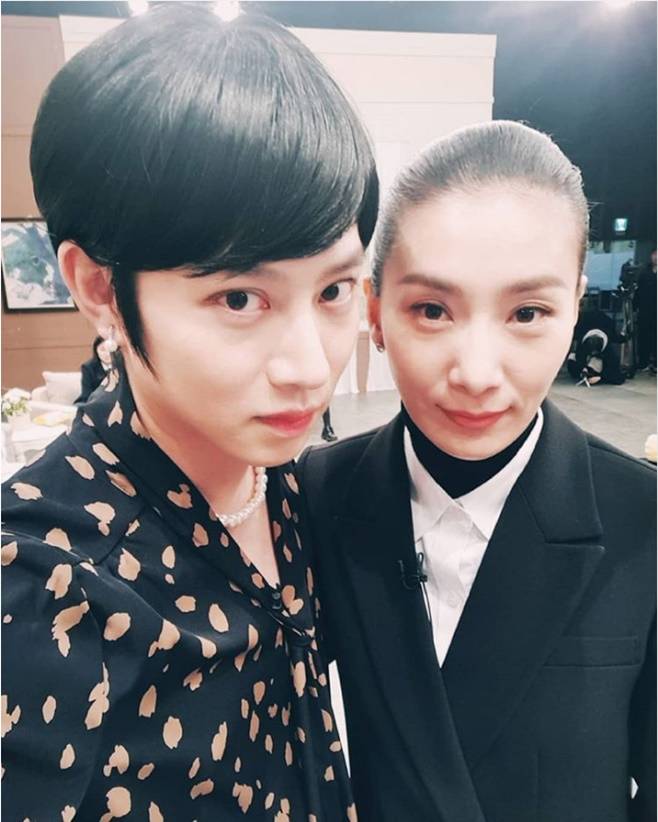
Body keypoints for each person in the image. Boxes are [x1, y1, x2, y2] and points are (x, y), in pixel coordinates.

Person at [1, 6, 377, 820]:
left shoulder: (287, 483)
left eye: (334, 290)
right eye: (240, 298)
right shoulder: (38, 593)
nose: (311, 368)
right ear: (100, 288)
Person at [299, 121, 655, 822]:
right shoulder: (320, 493)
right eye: (432, 310)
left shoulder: (642, 518)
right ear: (376, 313)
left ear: (574, 309)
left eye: (528, 312)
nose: (477, 374)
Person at [566, 307, 626, 385]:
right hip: (585, 327)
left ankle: (594, 370)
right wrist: (582, 370)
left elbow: (618, 378)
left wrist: (601, 377)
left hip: (603, 326)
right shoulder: (581, 339)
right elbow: (579, 357)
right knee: (572, 360)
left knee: (600, 364)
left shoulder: (609, 351)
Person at [75, 334, 114, 403]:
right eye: (102, 349)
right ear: (96, 350)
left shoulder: (122, 366)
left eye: (110, 350)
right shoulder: (88, 367)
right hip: (93, 401)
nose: (107, 354)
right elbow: (87, 394)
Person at [636, 249, 657, 372]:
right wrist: (635, 307)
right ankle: (643, 362)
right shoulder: (644, 273)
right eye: (654, 254)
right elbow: (638, 292)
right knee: (644, 337)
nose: (656, 257)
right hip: (645, 310)